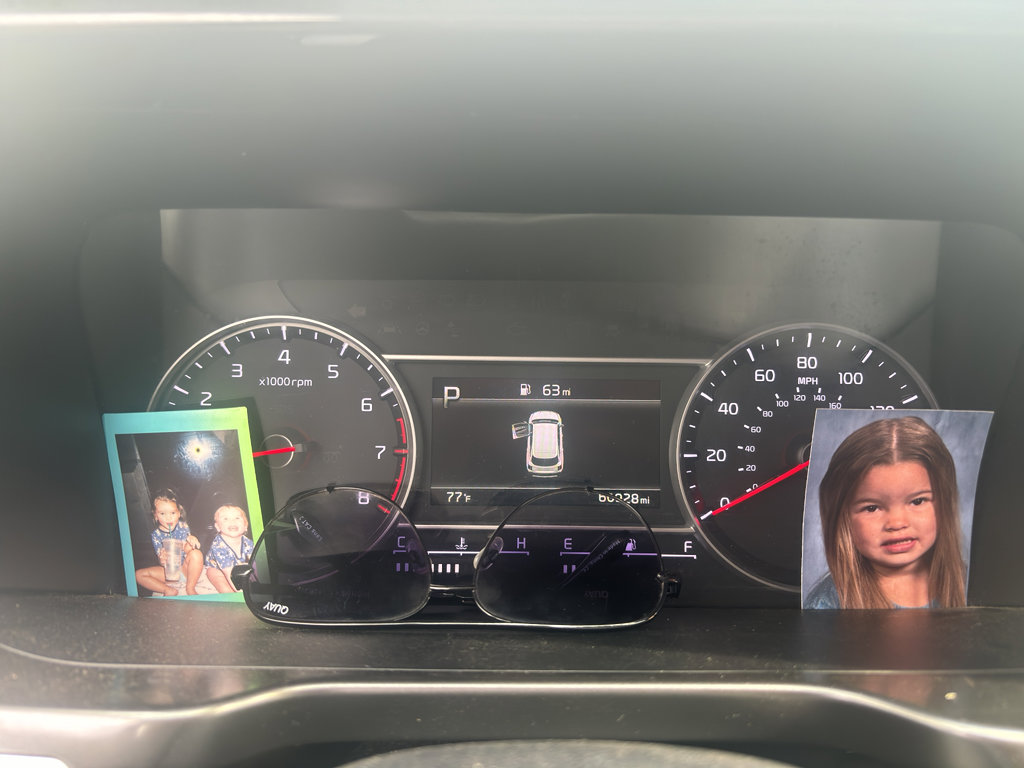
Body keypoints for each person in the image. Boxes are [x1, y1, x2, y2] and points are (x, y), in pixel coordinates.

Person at [806, 416, 966, 609]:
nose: (897, 523)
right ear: (842, 517)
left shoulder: (968, 584)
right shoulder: (827, 604)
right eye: (872, 508)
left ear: (945, 504)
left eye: (917, 501)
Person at [135, 489, 204, 596]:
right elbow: (161, 562)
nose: (168, 517)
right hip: (168, 573)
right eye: (162, 513)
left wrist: (192, 541)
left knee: (196, 554)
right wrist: (162, 559)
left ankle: (190, 587)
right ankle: (167, 589)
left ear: (179, 513)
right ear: (155, 515)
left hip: (185, 569)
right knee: (139, 575)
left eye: (172, 513)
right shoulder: (156, 535)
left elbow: (188, 551)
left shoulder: (182, 526)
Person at [204, 504, 254, 593]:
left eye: (237, 518)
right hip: (218, 569)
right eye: (225, 519)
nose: (232, 521)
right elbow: (228, 572)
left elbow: (254, 563)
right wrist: (240, 592)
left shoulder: (248, 543)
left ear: (245, 526)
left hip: (239, 566)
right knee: (221, 583)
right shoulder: (218, 547)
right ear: (218, 527)